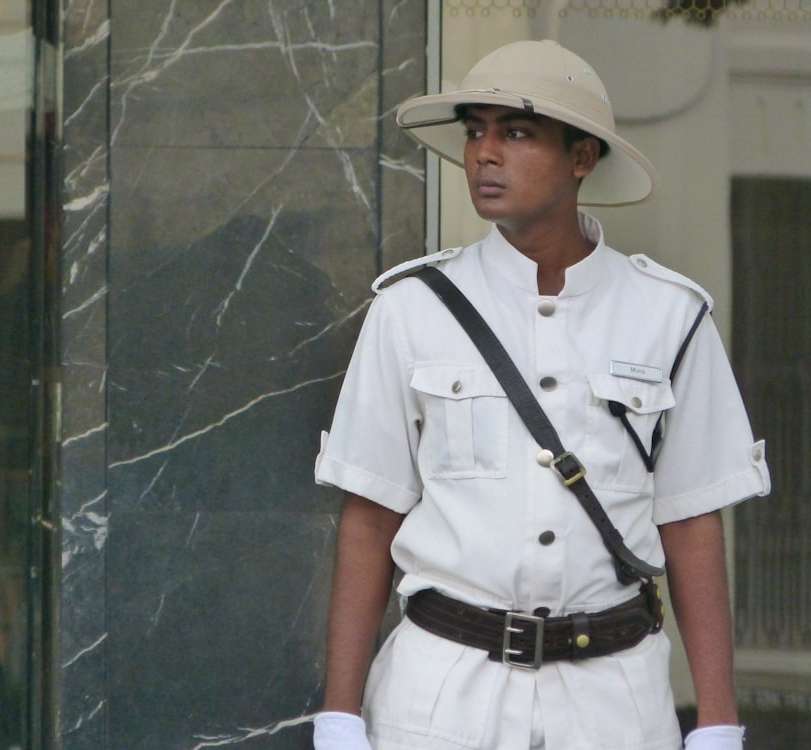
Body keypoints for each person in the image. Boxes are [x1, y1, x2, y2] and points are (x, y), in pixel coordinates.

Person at [312, 40, 771, 750]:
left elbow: (692, 523)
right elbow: (369, 517)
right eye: (474, 132)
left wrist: (716, 723)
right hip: (440, 696)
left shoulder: (671, 318)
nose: (484, 154)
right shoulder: (411, 310)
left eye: (516, 133)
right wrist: (339, 717)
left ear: (582, 158)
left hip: (613, 701)